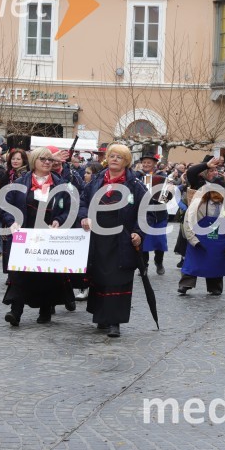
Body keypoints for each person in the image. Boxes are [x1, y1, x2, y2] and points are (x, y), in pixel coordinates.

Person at [1, 147, 77, 326]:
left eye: (50, 160)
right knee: (20, 273)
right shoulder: (20, 182)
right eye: (43, 159)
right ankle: (15, 311)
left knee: (46, 274)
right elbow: (6, 205)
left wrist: (59, 220)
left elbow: (69, 208)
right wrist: (12, 221)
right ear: (34, 161)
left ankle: (45, 311)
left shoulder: (61, 185)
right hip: (25, 233)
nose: (47, 162)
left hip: (49, 234)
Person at [79, 143, 148, 338]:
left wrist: (138, 232)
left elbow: (146, 212)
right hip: (98, 238)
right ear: (106, 159)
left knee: (118, 279)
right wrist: (83, 216)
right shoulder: (96, 181)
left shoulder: (135, 185)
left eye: (119, 157)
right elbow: (83, 202)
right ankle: (101, 317)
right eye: (112, 156)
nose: (115, 159)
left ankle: (114, 322)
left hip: (122, 239)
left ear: (126, 161)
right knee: (100, 277)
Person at [178, 188, 225, 295]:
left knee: (216, 265)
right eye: (213, 192)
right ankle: (185, 285)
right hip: (199, 242)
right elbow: (187, 222)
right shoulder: (197, 205)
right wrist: (193, 240)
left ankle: (215, 287)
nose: (216, 195)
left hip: (220, 245)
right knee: (192, 264)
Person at [136, 147, 171, 276]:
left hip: (159, 214)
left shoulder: (162, 176)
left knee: (159, 241)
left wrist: (163, 195)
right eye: (144, 162)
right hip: (143, 214)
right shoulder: (137, 176)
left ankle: (159, 262)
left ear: (154, 164)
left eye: (148, 163)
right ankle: (144, 265)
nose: (146, 165)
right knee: (143, 241)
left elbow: (167, 197)